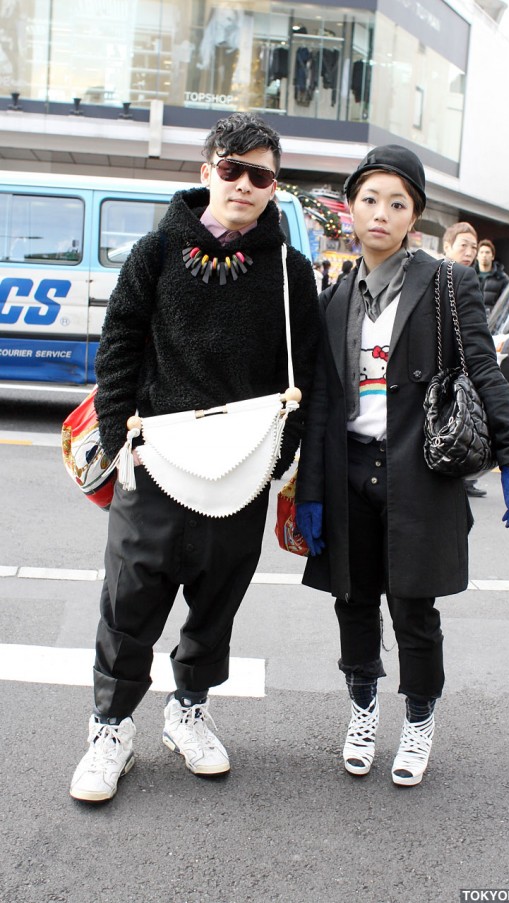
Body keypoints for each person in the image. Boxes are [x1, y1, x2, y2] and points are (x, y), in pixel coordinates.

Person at [69, 112, 320, 802]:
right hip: (153, 459)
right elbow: (119, 343)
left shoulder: (289, 271)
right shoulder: (155, 252)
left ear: (274, 186)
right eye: (231, 168)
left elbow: (307, 374)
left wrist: (279, 458)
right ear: (206, 169)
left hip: (242, 466)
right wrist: (121, 439)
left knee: (217, 597)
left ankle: (188, 709)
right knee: (131, 596)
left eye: (259, 174)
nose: (243, 183)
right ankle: (111, 725)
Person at [294, 145, 509, 788]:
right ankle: (363, 710)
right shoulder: (337, 295)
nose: (381, 213)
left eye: (397, 203)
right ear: (351, 209)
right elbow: (321, 400)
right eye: (369, 199)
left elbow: (481, 366)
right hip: (350, 472)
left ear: (414, 218)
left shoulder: (446, 283)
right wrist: (309, 490)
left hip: (419, 472)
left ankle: (419, 720)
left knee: (414, 609)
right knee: (353, 603)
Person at [443, 222, 487, 498]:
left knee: (465, 419)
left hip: (464, 364)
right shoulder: (439, 279)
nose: (470, 252)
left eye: (474, 246)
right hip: (445, 368)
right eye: (463, 246)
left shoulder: (470, 278)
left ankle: (463, 474)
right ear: (447, 247)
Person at [475, 239, 509, 314]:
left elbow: (507, 303)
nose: (484, 255)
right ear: (477, 256)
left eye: (487, 252)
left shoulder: (502, 278)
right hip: (472, 320)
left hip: (492, 321)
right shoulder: (469, 276)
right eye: (481, 252)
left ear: (492, 256)